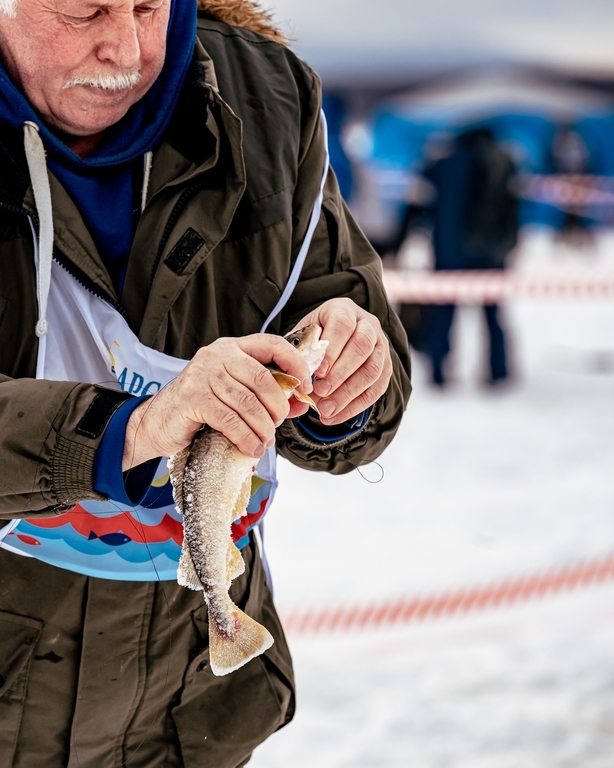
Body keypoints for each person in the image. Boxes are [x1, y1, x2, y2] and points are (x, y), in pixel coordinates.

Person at [0, 1, 411, 766]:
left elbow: (354, 328)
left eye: (150, 6)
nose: (125, 45)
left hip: (192, 717)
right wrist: (130, 430)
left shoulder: (269, 100)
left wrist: (353, 378)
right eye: (84, 9)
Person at [397, 128, 517, 386]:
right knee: (493, 315)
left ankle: (439, 372)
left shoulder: (443, 164)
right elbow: (514, 210)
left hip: (448, 252)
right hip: (492, 255)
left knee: (443, 313)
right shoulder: (503, 162)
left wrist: (400, 242)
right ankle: (499, 372)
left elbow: (417, 206)